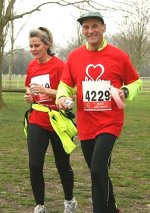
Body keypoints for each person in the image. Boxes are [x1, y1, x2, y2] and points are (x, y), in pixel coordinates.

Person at [56, 11, 142, 213]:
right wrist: (61, 97)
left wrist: (126, 91)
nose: (90, 31)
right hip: (86, 124)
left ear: (103, 28)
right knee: (98, 171)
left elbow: (135, 82)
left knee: (97, 169)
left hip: (110, 123)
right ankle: (112, 208)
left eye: (95, 26)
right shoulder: (75, 56)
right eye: (86, 27)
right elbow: (65, 84)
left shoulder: (119, 55)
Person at [24, 27, 77, 213]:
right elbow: (29, 88)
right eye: (30, 45)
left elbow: (72, 96)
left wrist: (47, 91)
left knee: (62, 164)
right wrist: (30, 96)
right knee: (34, 164)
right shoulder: (31, 66)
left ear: (47, 45)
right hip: (37, 119)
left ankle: (69, 201)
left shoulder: (59, 66)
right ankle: (40, 205)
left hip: (58, 121)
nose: (33, 48)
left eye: (37, 45)